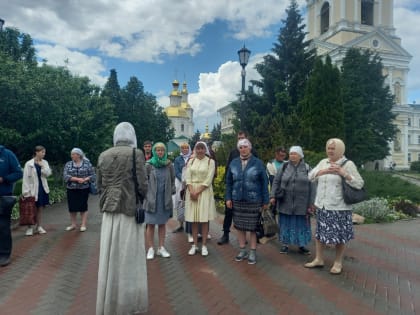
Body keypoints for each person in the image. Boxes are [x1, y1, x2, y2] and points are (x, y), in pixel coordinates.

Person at [96, 122, 148, 315]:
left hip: (109, 211)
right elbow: (143, 185)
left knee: (110, 256)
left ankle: (108, 303)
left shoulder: (103, 155)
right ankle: (128, 304)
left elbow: (99, 184)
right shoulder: (137, 154)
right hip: (129, 210)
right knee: (129, 257)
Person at [304, 138, 364, 275]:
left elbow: (359, 184)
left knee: (340, 236)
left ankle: (338, 262)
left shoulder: (348, 164)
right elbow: (310, 177)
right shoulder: (323, 162)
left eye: (333, 148)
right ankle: (319, 259)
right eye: (329, 148)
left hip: (339, 208)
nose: (330, 151)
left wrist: (344, 174)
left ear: (340, 150)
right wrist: (322, 172)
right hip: (323, 206)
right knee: (320, 234)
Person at [225, 138, 269, 264]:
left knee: (253, 228)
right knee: (239, 227)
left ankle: (253, 252)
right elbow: (228, 182)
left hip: (254, 200)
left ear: (250, 148)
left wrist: (265, 200)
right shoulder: (233, 163)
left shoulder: (258, 163)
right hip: (237, 199)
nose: (243, 149)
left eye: (245, 147)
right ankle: (242, 250)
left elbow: (264, 183)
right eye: (241, 147)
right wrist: (228, 197)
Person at [270, 146, 314, 255]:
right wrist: (272, 196)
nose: (292, 156)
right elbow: (276, 181)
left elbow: (313, 185)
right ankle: (285, 244)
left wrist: (312, 202)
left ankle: (301, 245)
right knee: (285, 223)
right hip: (285, 202)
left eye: (295, 154)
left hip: (302, 203)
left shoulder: (307, 168)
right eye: (291, 154)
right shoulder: (284, 166)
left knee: (301, 224)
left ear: (300, 156)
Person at [218, 131, 258, 245]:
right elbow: (228, 170)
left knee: (247, 214)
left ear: (247, 139)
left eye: (242, 138)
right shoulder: (233, 153)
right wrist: (228, 187)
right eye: (239, 138)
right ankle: (225, 234)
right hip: (234, 189)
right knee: (229, 212)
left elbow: (258, 171)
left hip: (249, 191)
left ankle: (250, 237)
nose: (240, 141)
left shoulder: (253, 152)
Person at [184, 141, 216, 256]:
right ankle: (194, 245)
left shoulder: (210, 162)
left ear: (205, 149)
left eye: (202, 148)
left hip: (204, 192)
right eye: (198, 148)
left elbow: (209, 179)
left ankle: (204, 246)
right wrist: (191, 191)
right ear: (195, 149)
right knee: (194, 219)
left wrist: (197, 191)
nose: (200, 150)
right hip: (191, 191)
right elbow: (188, 177)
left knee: (203, 219)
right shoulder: (191, 161)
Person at [144, 142, 175, 260]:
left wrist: (172, 190)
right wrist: (146, 193)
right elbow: (143, 180)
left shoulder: (169, 165)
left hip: (164, 199)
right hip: (151, 199)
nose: (160, 152)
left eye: (162, 150)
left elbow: (172, 179)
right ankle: (151, 248)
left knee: (162, 224)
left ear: (165, 152)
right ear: (154, 151)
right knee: (150, 224)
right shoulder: (149, 164)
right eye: (157, 150)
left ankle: (161, 247)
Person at [0, 145, 23, 267]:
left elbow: (18, 173)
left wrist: (4, 179)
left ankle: (4, 255)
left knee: (3, 227)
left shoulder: (7, 154)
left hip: (3, 197)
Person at [22, 145, 52, 236]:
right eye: (42, 152)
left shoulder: (44, 162)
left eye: (44, 152)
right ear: (37, 152)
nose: (44, 154)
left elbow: (48, 174)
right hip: (32, 189)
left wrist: (42, 166)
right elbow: (26, 178)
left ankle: (39, 226)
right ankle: (29, 228)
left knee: (39, 208)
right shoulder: (29, 164)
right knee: (31, 208)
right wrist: (25, 192)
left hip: (42, 188)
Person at [63, 148, 95, 232]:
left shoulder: (87, 164)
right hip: (71, 188)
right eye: (71, 154)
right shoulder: (68, 164)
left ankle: (83, 224)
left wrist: (85, 179)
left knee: (83, 206)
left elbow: (93, 175)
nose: (72, 156)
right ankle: (73, 224)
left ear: (79, 155)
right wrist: (77, 179)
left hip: (84, 188)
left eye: (73, 154)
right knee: (72, 207)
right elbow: (65, 176)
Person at [172, 142, 191, 233]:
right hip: (180, 184)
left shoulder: (192, 158)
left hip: (190, 184)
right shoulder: (177, 159)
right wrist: (183, 179)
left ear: (189, 149)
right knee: (180, 202)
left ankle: (189, 225)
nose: (184, 150)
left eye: (186, 148)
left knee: (189, 203)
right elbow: (176, 171)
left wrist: (189, 180)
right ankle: (180, 225)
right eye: (183, 148)